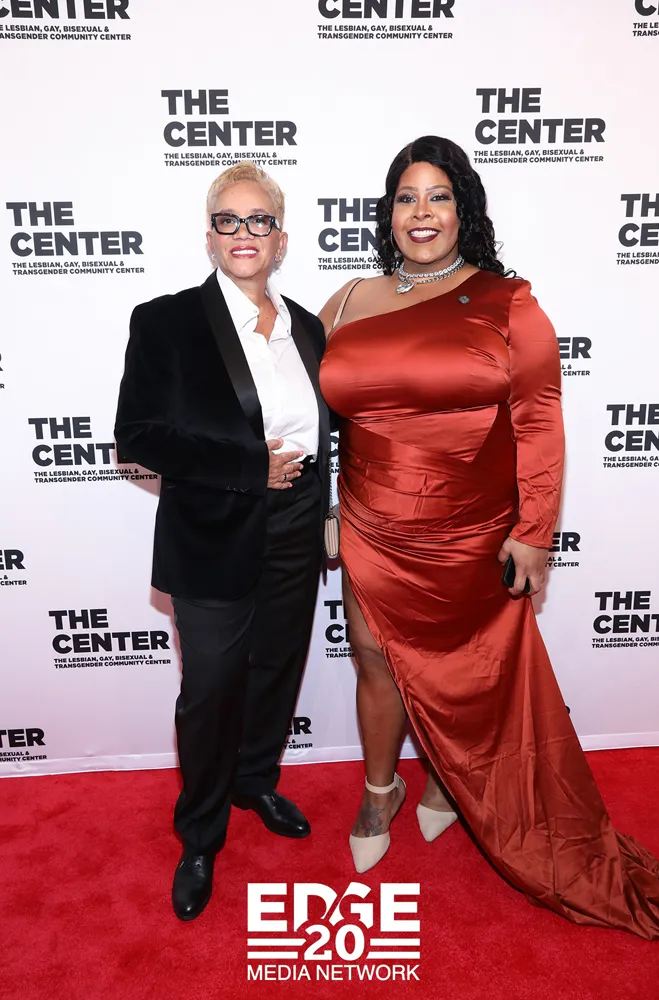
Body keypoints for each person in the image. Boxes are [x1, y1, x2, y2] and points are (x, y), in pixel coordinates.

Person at [319, 135, 659, 939]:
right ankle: (380, 792)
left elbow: (539, 421)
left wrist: (534, 531)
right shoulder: (346, 300)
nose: (421, 212)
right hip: (370, 521)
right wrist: (313, 505)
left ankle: (449, 784)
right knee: (372, 657)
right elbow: (314, 411)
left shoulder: (509, 302)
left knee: (471, 675)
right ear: (387, 213)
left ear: (463, 210)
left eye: (438, 196)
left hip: (468, 531)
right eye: (406, 197)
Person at [115, 162, 330, 921]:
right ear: (210, 237)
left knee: (276, 668)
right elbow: (138, 436)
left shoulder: (308, 328)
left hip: (297, 525)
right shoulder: (166, 321)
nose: (244, 233)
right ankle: (200, 836)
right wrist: (247, 467)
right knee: (209, 691)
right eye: (228, 220)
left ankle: (254, 781)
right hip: (211, 533)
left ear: (280, 239)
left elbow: (326, 433)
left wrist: (328, 507)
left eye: (259, 220)